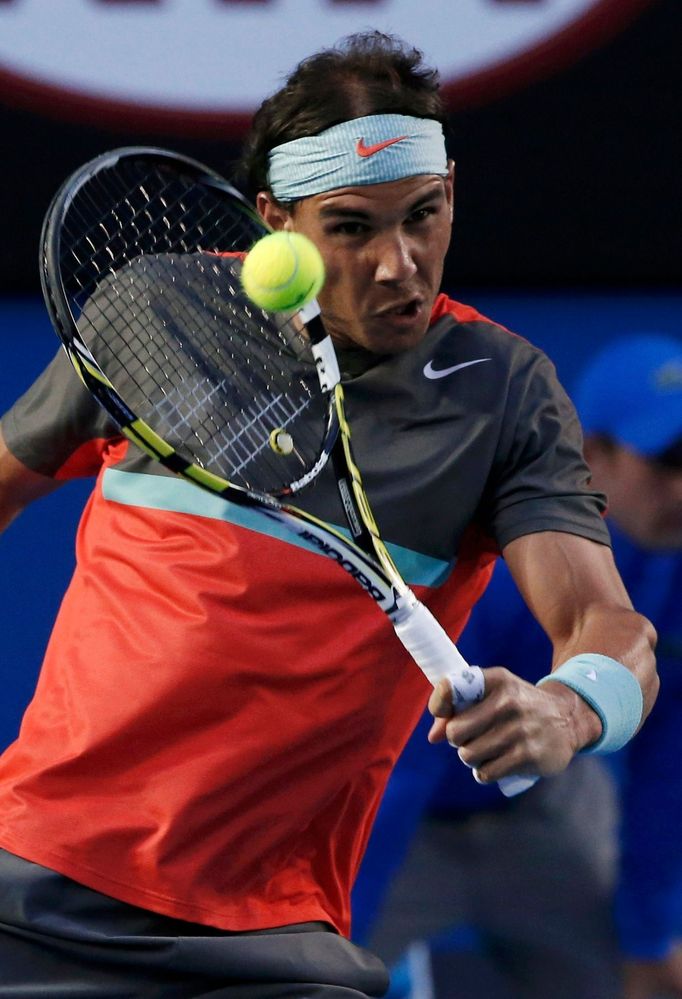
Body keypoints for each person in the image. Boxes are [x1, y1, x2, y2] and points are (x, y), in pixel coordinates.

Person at [0, 31, 659, 998]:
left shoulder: (500, 390)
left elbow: (610, 627)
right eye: (351, 227)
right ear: (276, 221)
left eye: (423, 216)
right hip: (35, 883)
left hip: (276, 938)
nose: (400, 265)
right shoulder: (157, 312)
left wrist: (563, 708)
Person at [354, 333, 682, 999]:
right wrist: (340, 928)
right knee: (316, 974)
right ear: (597, 457)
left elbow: (667, 763)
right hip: (402, 817)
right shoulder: (493, 572)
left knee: (636, 981)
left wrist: (650, 936)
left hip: (543, 814)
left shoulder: (675, 562)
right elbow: (400, 764)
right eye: (666, 462)